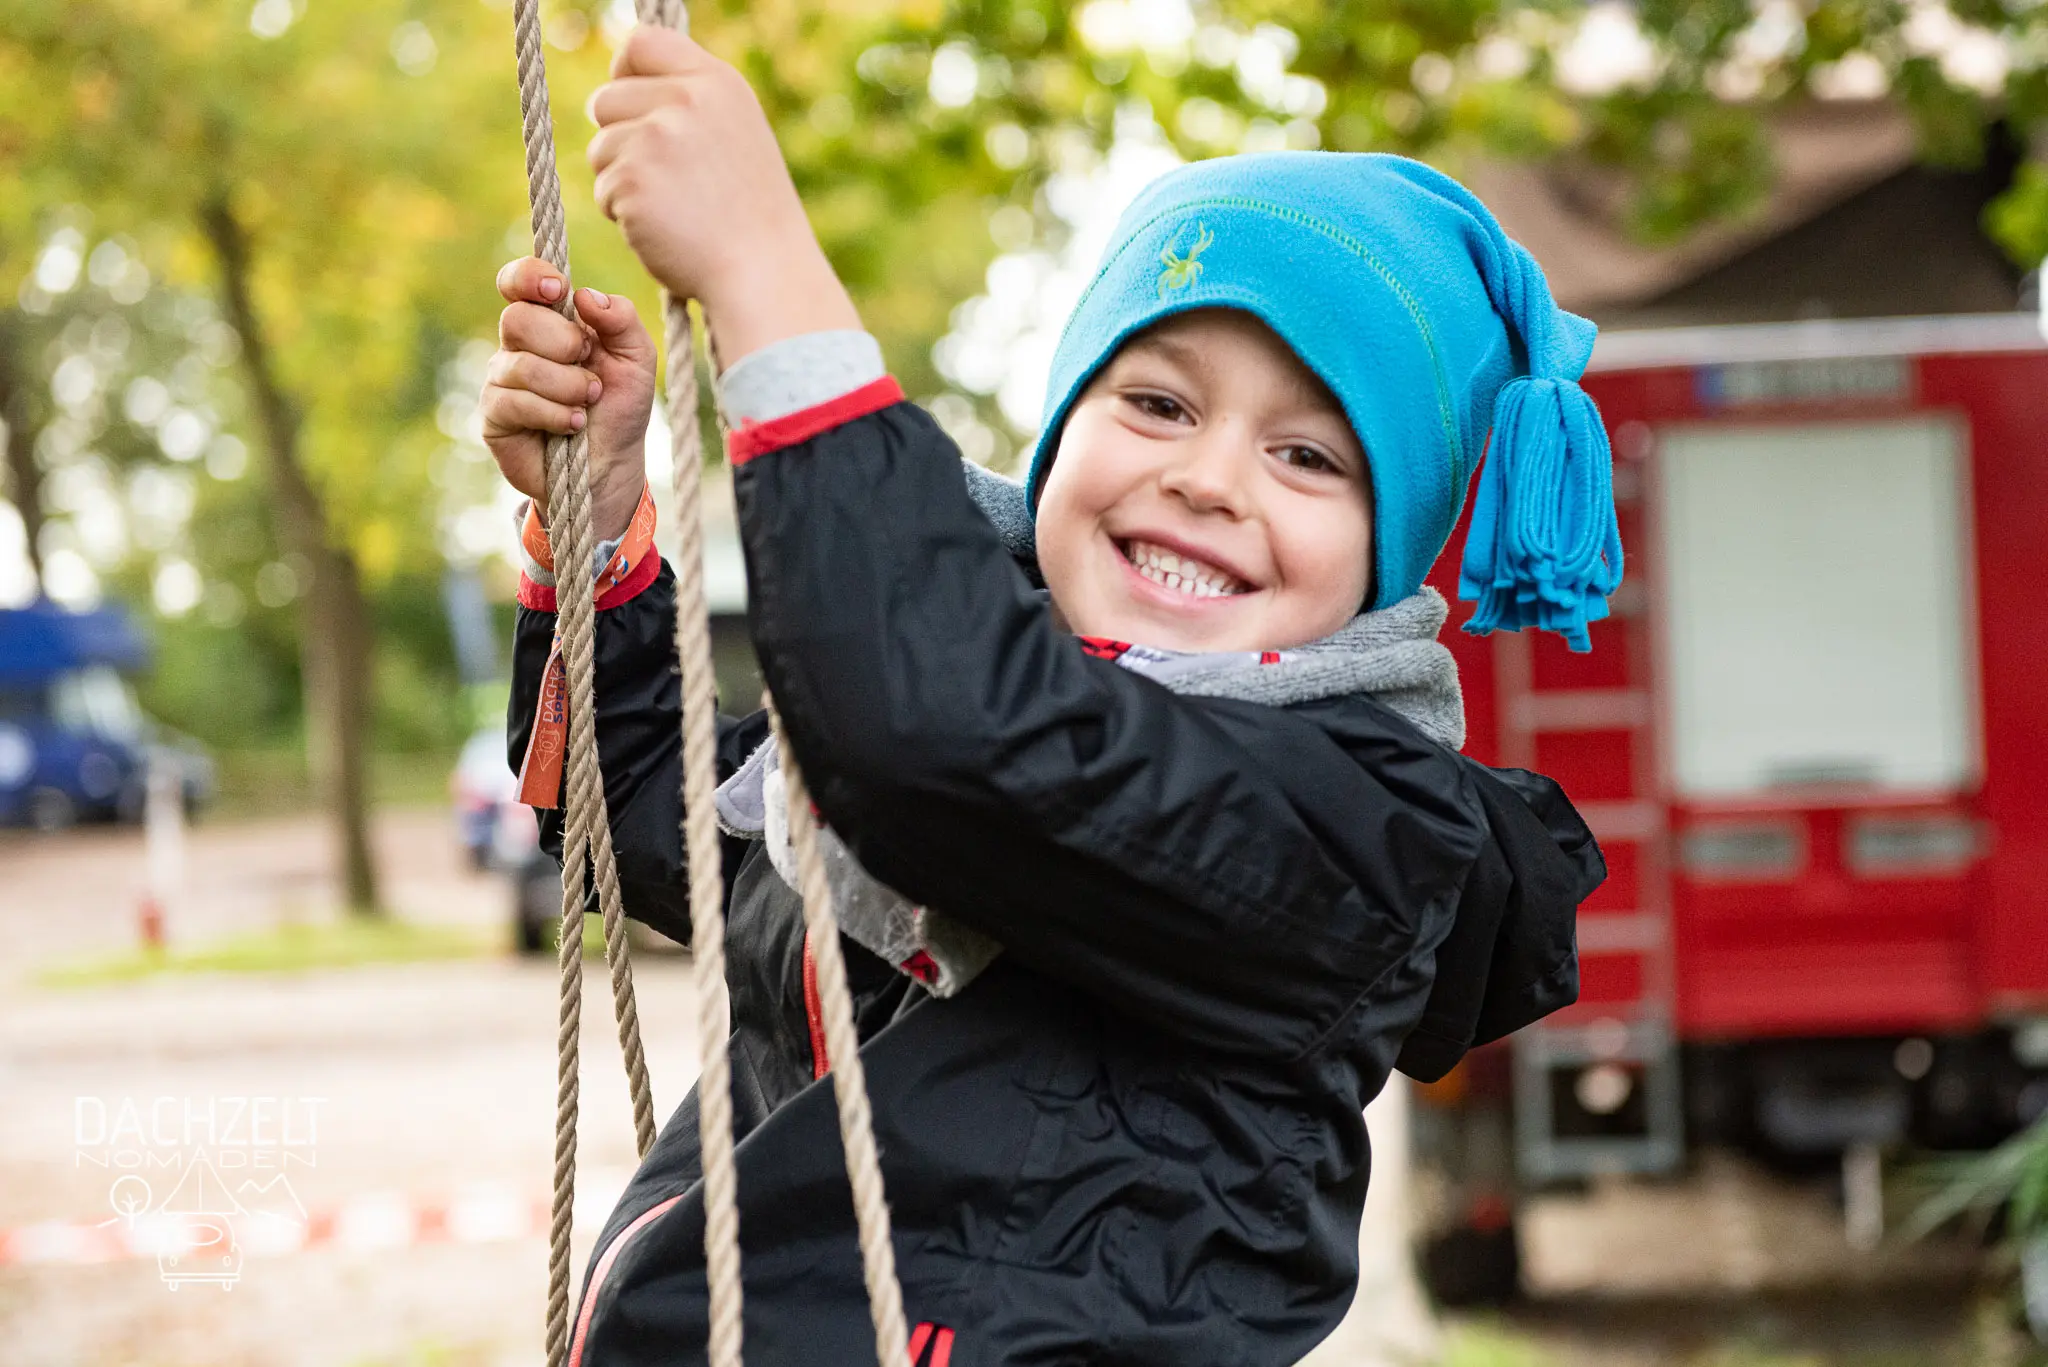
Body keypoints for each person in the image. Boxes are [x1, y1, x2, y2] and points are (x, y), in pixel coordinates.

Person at [480, 25, 1613, 1367]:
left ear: (1387, 557)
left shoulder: (1359, 832)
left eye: (1309, 453)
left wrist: (767, 273)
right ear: (1059, 426)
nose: (1210, 479)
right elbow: (644, 820)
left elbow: (957, 746)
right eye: (1157, 402)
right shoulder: (906, 723)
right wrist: (601, 534)